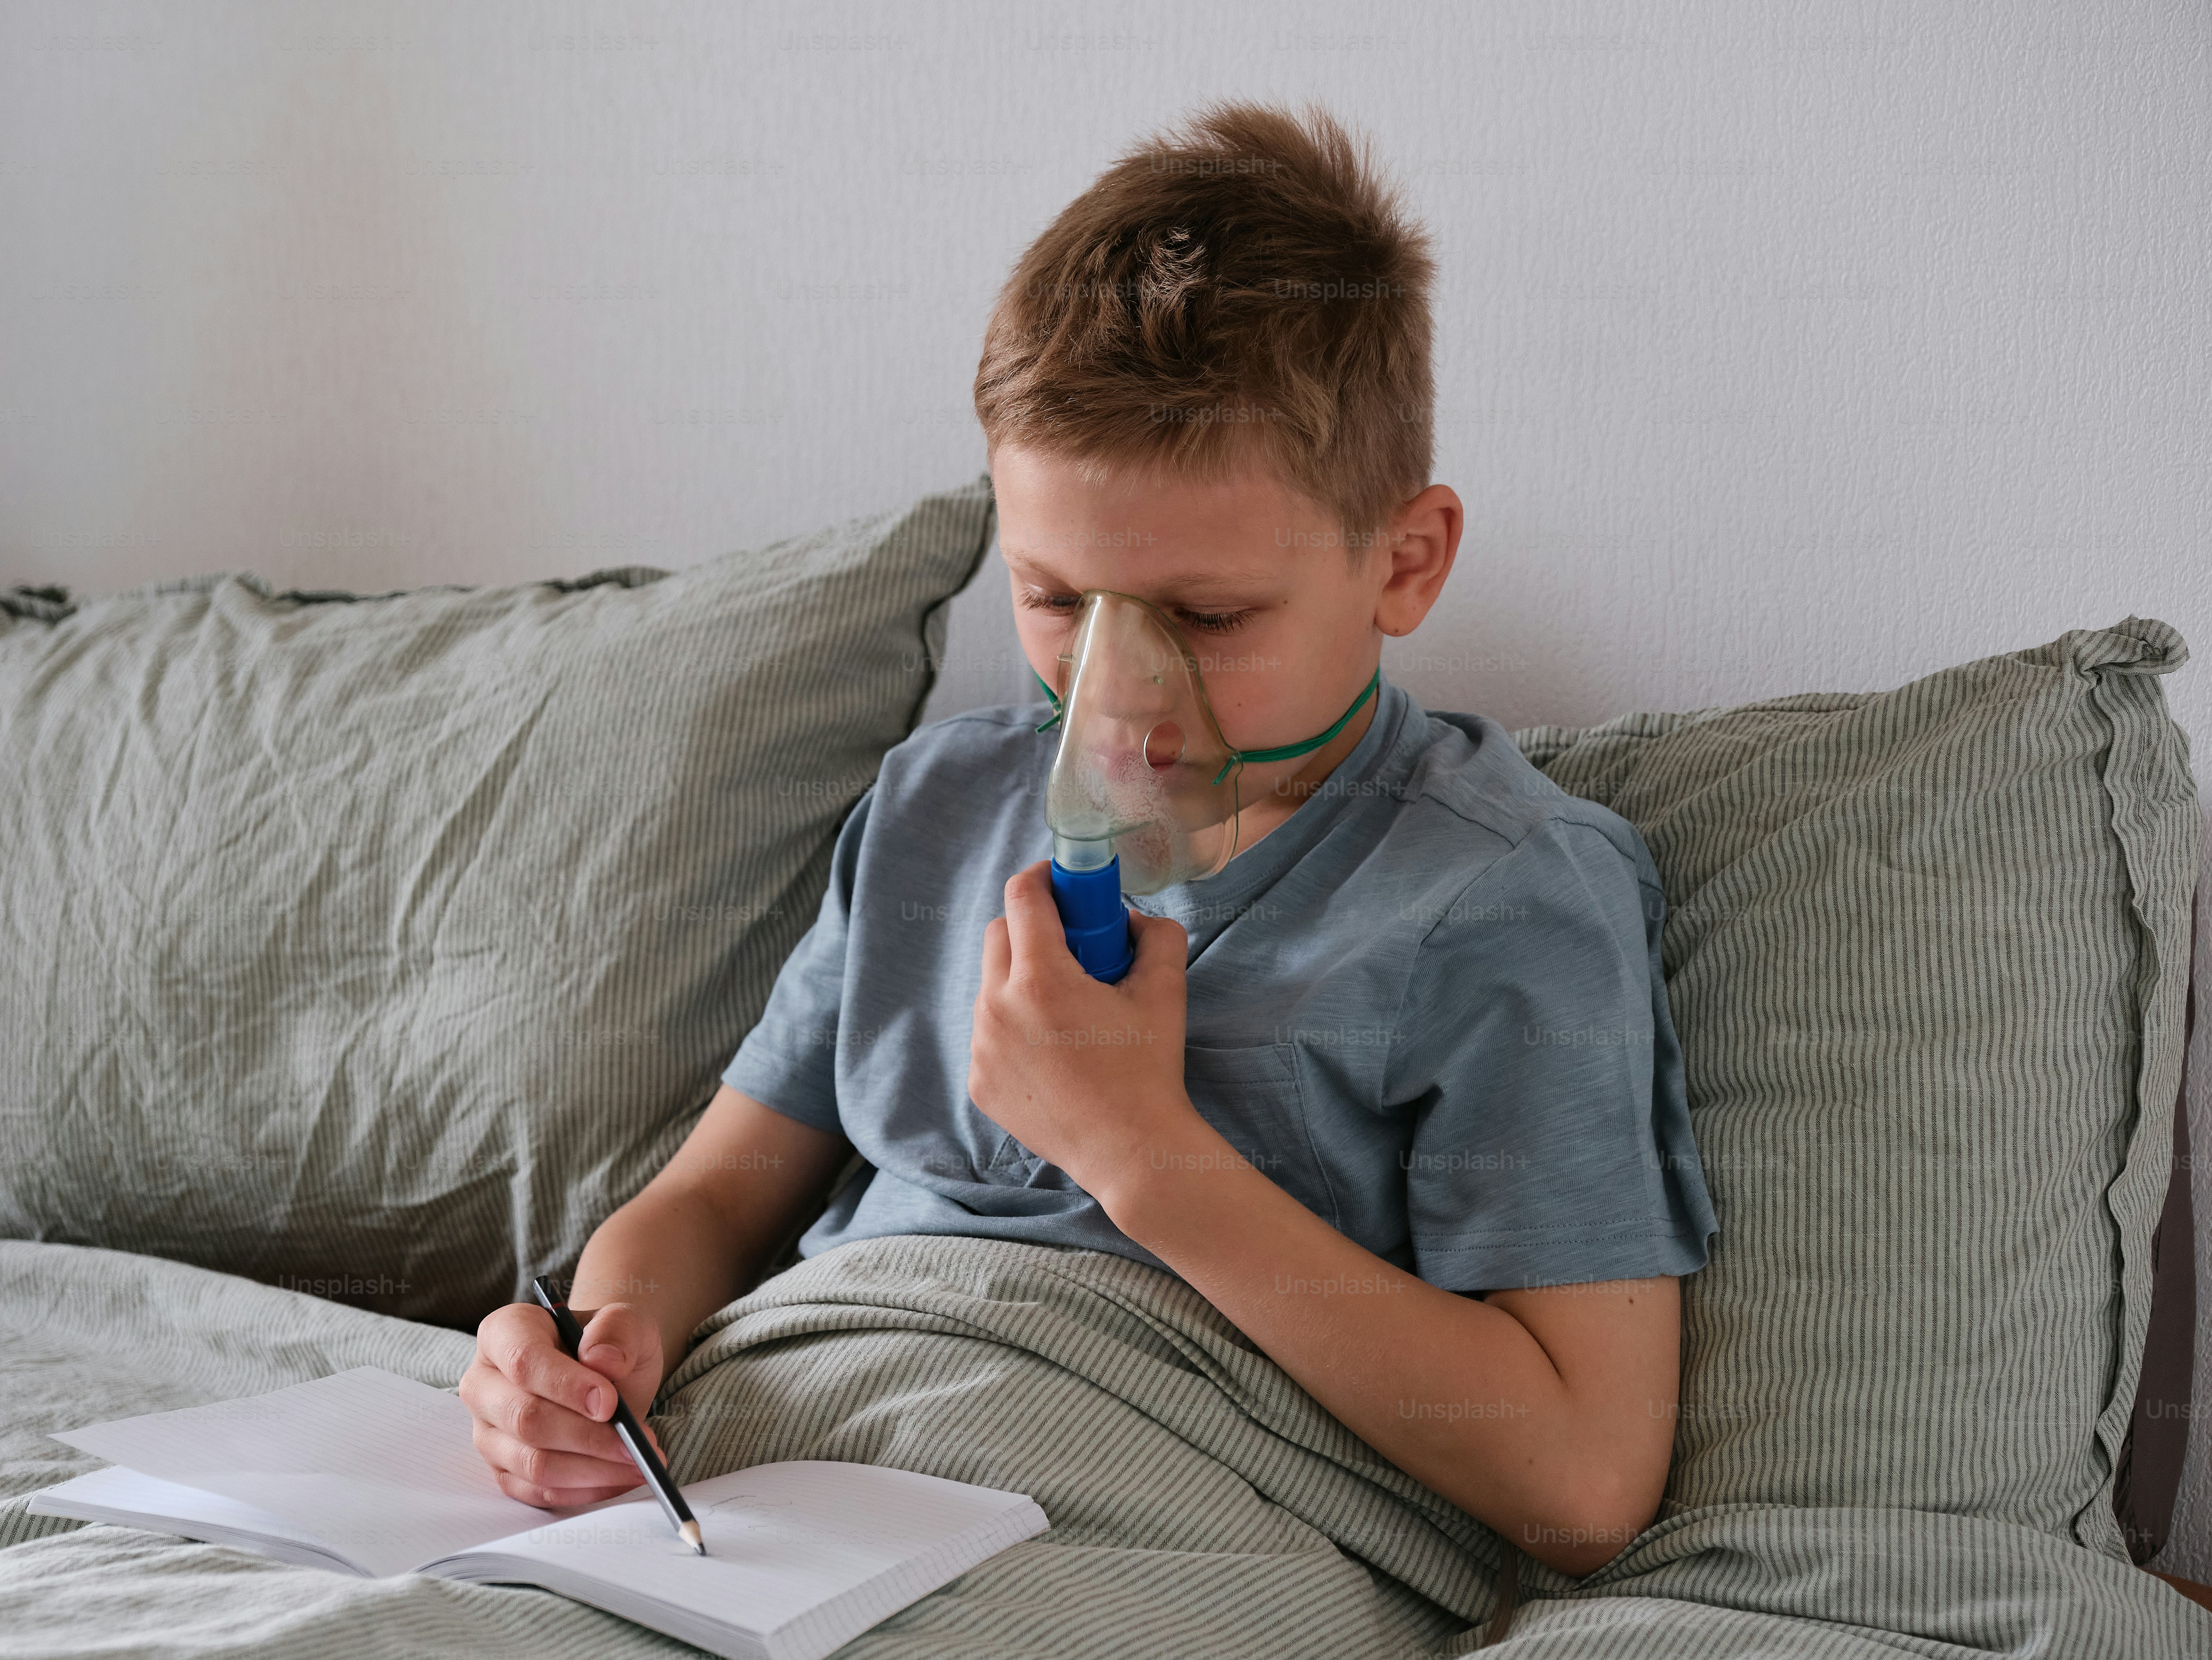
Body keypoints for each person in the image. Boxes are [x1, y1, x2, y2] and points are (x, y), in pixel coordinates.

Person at [459, 100, 1716, 1578]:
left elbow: (1582, 1479)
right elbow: (713, 1195)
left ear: (1407, 559)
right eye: (1058, 602)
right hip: (768, 1473)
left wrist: (1144, 1156)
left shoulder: (1498, 897)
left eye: (1205, 618)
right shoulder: (936, 811)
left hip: (1150, 1508)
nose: (1118, 699)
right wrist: (595, 1351)